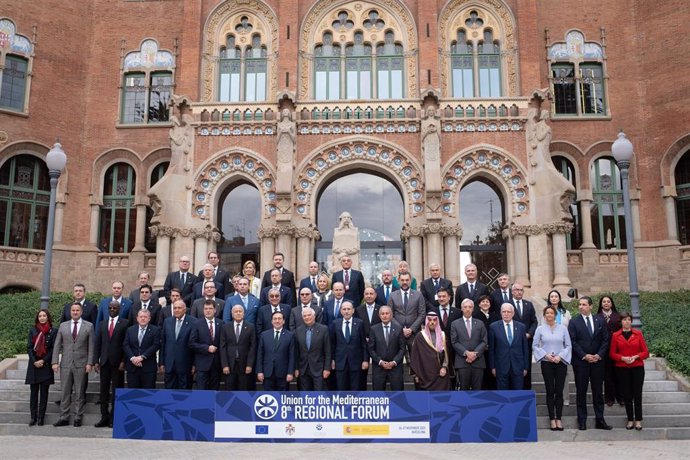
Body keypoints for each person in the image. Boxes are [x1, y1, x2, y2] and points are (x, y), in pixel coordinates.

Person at [568, 296, 612, 431]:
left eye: (584, 304)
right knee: (581, 391)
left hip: (597, 362)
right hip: (581, 362)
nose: (581, 307)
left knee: (598, 392)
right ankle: (582, 421)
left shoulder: (600, 320)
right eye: (580, 305)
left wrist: (599, 355)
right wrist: (584, 355)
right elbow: (573, 341)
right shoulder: (574, 322)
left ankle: (600, 420)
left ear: (591, 306)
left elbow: (606, 339)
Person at [51, 302, 95, 427]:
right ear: (70, 312)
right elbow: (57, 345)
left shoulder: (89, 326)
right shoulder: (63, 326)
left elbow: (91, 346)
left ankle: (77, 417)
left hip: (81, 363)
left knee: (79, 392)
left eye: (77, 310)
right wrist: (55, 361)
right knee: (65, 391)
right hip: (65, 363)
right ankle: (64, 417)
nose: (75, 312)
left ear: (81, 312)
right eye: (73, 310)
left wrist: (90, 363)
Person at [533, 305, 572, 431]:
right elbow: (535, 346)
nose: (549, 315)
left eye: (551, 313)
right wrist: (546, 355)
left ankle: (559, 418)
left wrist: (560, 356)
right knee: (550, 391)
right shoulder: (540, 329)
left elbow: (568, 345)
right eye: (547, 313)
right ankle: (551, 419)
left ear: (555, 315)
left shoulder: (563, 329)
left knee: (559, 391)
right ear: (544, 316)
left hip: (560, 362)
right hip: (547, 362)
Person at [609, 312, 649, 430]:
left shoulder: (638, 334)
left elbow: (645, 352)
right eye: (624, 320)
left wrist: (636, 357)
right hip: (622, 368)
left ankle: (638, 420)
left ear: (631, 321)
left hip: (637, 367)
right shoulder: (616, 335)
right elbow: (612, 354)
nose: (626, 322)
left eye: (628, 319)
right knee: (627, 395)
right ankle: (630, 419)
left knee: (637, 394)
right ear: (620, 322)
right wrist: (623, 358)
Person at [93, 301, 129, 428]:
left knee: (116, 390)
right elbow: (97, 343)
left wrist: (123, 361)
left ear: (119, 309)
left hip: (117, 363)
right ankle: (104, 417)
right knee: (103, 391)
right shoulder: (102, 324)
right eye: (110, 308)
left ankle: (114, 417)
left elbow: (126, 344)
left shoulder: (125, 323)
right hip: (104, 362)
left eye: (115, 308)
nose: (112, 309)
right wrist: (95, 361)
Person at [25, 309, 57, 426]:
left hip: (46, 365)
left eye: (44, 316)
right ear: (37, 318)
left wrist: (43, 360)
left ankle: (41, 418)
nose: (42, 318)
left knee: (44, 394)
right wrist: (35, 361)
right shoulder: (33, 330)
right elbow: (29, 348)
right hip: (34, 366)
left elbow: (53, 349)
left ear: (48, 317)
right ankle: (33, 417)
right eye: (40, 316)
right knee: (33, 393)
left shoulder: (54, 331)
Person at [488, 303, 529, 390]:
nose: (506, 314)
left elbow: (525, 348)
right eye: (504, 312)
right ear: (500, 313)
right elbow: (491, 349)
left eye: (509, 312)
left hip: (518, 366)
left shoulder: (521, 327)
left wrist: (525, 367)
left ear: (513, 313)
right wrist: (492, 367)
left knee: (517, 394)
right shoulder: (493, 327)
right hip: (501, 367)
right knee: (503, 395)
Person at [331, 301, 368, 390]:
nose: (346, 311)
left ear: (353, 310)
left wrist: (365, 360)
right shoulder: (335, 323)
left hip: (356, 362)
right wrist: (332, 360)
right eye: (344, 309)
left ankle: (354, 404)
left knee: (355, 388)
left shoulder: (359, 323)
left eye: (348, 309)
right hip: (340, 362)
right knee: (341, 388)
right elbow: (332, 344)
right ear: (341, 311)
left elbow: (364, 343)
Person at [451, 298, 487, 391]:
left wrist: (475, 354)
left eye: (470, 307)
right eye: (465, 307)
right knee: (463, 389)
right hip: (463, 362)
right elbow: (454, 341)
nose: (467, 309)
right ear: (461, 308)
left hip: (478, 362)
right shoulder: (455, 324)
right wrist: (466, 353)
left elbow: (484, 341)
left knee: (477, 390)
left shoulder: (480, 323)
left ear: (473, 309)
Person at [388, 272, 426, 359]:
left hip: (414, 333)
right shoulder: (392, 295)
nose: (404, 282)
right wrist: (401, 329)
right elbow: (390, 314)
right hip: (397, 333)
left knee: (415, 359)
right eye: (402, 280)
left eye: (407, 280)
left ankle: (414, 373)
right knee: (396, 359)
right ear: (398, 281)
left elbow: (422, 314)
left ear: (410, 281)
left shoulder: (418, 295)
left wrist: (411, 329)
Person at [159, 300, 196, 389]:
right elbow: (163, 343)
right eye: (175, 308)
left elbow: (194, 345)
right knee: (169, 392)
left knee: (184, 393)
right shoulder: (167, 321)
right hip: (169, 364)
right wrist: (161, 363)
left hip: (186, 365)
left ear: (184, 309)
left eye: (179, 308)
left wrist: (194, 364)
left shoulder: (193, 322)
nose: (176, 310)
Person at [368, 306, 405, 391]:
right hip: (379, 367)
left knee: (398, 394)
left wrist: (394, 362)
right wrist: (380, 362)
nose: (384, 316)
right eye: (382, 314)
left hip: (395, 368)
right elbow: (371, 349)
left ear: (391, 315)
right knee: (378, 395)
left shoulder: (398, 328)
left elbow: (402, 348)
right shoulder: (373, 329)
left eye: (387, 313)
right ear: (379, 315)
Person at [256, 311, 295, 390]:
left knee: (283, 398)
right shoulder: (264, 335)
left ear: (283, 321)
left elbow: (292, 356)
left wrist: (290, 372)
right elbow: (260, 354)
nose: (277, 321)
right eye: (275, 319)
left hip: (283, 373)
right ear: (271, 321)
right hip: (267, 373)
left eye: (279, 319)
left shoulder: (290, 335)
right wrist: (259, 371)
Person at [410, 311, 450, 390]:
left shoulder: (442, 335)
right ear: (426, 321)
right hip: (424, 373)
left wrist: (444, 367)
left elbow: (446, 354)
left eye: (434, 320)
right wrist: (416, 374)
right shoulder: (420, 336)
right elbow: (415, 356)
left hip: (440, 372)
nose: (432, 322)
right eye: (430, 320)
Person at [220, 305, 257, 390]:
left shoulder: (250, 327)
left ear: (244, 314)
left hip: (244, 365)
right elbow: (222, 347)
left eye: (240, 311)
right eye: (236, 312)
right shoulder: (225, 327)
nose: (238, 313)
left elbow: (253, 347)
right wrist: (225, 365)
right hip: (230, 365)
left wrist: (249, 365)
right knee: (229, 390)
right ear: (232, 314)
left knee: (243, 389)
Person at [189, 299, 223, 390]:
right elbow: (191, 343)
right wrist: (206, 348)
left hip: (216, 364)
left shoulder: (221, 323)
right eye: (206, 308)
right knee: (202, 391)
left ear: (215, 310)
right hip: (202, 364)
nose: (208, 310)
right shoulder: (196, 324)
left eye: (210, 308)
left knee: (214, 390)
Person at [294, 307, 331, 390]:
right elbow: (296, 352)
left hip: (319, 369)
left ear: (314, 316)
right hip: (303, 369)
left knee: (319, 395)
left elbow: (327, 351)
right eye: (305, 316)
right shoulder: (297, 331)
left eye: (309, 315)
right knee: (305, 396)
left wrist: (327, 368)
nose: (307, 317)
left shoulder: (323, 329)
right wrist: (296, 368)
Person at [123, 309, 161, 389]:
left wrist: (142, 357)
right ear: (137, 318)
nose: (143, 318)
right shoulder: (130, 330)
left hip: (148, 367)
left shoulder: (155, 330)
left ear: (149, 318)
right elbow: (126, 345)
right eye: (141, 317)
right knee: (133, 393)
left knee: (148, 393)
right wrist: (133, 358)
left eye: (145, 317)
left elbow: (156, 345)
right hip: (132, 367)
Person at [547, 289, 572, 405]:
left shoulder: (565, 313)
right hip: (549, 348)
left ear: (559, 298)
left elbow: (570, 329)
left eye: (556, 296)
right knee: (550, 377)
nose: (554, 298)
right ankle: (553, 400)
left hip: (563, 348)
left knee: (564, 375)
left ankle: (565, 398)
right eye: (551, 297)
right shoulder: (546, 313)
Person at [597, 295, 623, 406]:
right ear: (601, 304)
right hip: (604, 350)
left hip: (617, 349)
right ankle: (609, 398)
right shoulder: (596, 317)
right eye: (604, 301)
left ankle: (621, 397)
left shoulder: (618, 317)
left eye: (608, 301)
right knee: (607, 375)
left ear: (611, 303)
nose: (606, 303)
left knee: (619, 374)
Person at [511, 282, 538, 389]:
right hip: (512, 342)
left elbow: (534, 321)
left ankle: (526, 390)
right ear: (512, 292)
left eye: (521, 290)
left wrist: (529, 333)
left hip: (526, 341)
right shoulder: (507, 305)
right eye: (516, 290)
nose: (519, 292)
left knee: (527, 368)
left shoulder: (528, 304)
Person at [472, 294, 500, 389]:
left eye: (487, 302)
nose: (485, 303)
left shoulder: (495, 316)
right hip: (480, 351)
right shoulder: (475, 317)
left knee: (493, 374)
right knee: (481, 376)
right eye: (483, 302)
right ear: (479, 304)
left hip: (493, 350)